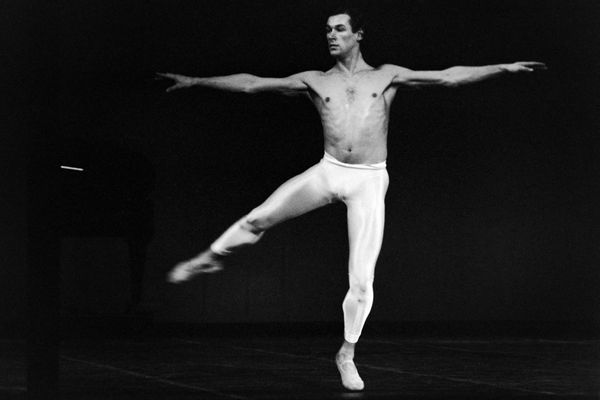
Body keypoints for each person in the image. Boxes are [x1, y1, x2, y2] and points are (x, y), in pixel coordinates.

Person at [158, 8, 546, 391]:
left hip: (369, 180)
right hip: (328, 171)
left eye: (339, 29)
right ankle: (211, 257)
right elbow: (251, 84)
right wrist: (195, 81)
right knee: (258, 218)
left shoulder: (386, 76)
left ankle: (346, 353)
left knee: (361, 280)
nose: (330, 35)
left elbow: (448, 78)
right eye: (327, 30)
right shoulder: (314, 80)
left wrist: (505, 67)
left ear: (358, 35)